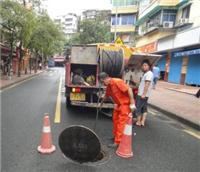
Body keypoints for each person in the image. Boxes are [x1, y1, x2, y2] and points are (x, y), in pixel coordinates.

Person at [99, 72, 136, 148]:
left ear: (106, 79)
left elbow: (129, 89)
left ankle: (118, 142)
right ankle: (116, 137)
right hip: (118, 105)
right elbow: (106, 96)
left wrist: (132, 104)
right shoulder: (109, 85)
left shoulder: (117, 81)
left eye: (102, 82)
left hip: (125, 105)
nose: (103, 84)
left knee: (121, 123)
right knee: (115, 121)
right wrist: (100, 104)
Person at [135, 59, 154, 127]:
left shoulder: (149, 74)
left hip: (142, 95)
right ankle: (142, 122)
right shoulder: (147, 73)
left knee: (138, 108)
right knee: (144, 108)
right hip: (145, 95)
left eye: (146, 65)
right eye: (143, 65)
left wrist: (143, 94)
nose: (144, 67)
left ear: (149, 66)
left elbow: (147, 84)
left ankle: (139, 122)